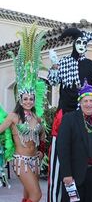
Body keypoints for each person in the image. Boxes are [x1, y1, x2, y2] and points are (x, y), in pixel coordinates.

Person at [47, 27, 92, 202]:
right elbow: (53, 81)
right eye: (78, 42)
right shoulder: (64, 62)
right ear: (73, 44)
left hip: (83, 118)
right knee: (60, 156)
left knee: (84, 153)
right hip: (64, 115)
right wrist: (55, 66)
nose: (81, 45)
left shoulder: (91, 65)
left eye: (84, 43)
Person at [0, 24, 47, 202]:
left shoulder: (37, 117)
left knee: (28, 196)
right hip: (20, 161)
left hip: (35, 160)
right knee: (37, 194)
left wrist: (42, 150)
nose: (28, 101)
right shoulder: (13, 117)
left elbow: (42, 137)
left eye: (31, 98)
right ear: (20, 99)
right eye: (25, 98)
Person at [56, 80, 92, 202]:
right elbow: (62, 147)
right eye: (85, 101)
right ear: (80, 102)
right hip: (73, 174)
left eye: (91, 101)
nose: (88, 104)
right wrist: (66, 173)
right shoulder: (69, 118)